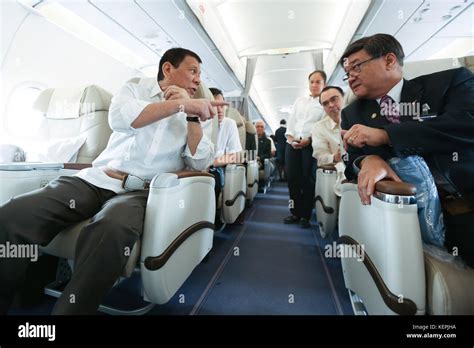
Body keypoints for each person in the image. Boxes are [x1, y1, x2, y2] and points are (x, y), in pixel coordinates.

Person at [0, 47, 228, 315]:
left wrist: (191, 115)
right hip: (97, 179)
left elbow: (199, 163)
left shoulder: (197, 110)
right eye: (193, 71)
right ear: (168, 69)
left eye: (200, 74)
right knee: (14, 214)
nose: (198, 80)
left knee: (110, 228)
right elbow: (121, 118)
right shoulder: (135, 89)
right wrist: (178, 105)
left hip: (141, 192)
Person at [340, 33, 474, 265]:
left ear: (389, 61)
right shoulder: (352, 114)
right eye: (347, 73)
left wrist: (386, 136)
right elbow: (351, 160)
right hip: (402, 217)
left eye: (357, 67)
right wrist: (367, 160)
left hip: (464, 202)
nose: (351, 77)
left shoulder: (450, 83)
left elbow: (466, 126)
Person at [284, 70, 326, 228]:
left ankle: (305, 216)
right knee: (292, 180)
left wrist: (309, 140)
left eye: (318, 82)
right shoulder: (299, 101)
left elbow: (322, 126)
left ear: (324, 84)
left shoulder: (324, 103)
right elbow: (292, 121)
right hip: (293, 145)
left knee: (308, 181)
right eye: (312, 82)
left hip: (311, 145)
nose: (314, 85)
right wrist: (290, 138)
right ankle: (294, 212)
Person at [208, 87, 242, 228]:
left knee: (212, 179)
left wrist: (212, 163)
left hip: (216, 168)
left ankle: (211, 219)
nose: (220, 109)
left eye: (222, 105)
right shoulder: (196, 121)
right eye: (215, 106)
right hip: (194, 167)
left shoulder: (229, 124)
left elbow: (236, 155)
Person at [311, 86, 346, 196]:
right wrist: (335, 157)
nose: (330, 105)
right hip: (338, 171)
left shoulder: (358, 117)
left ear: (344, 98)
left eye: (334, 99)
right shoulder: (319, 128)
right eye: (325, 103)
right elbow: (320, 158)